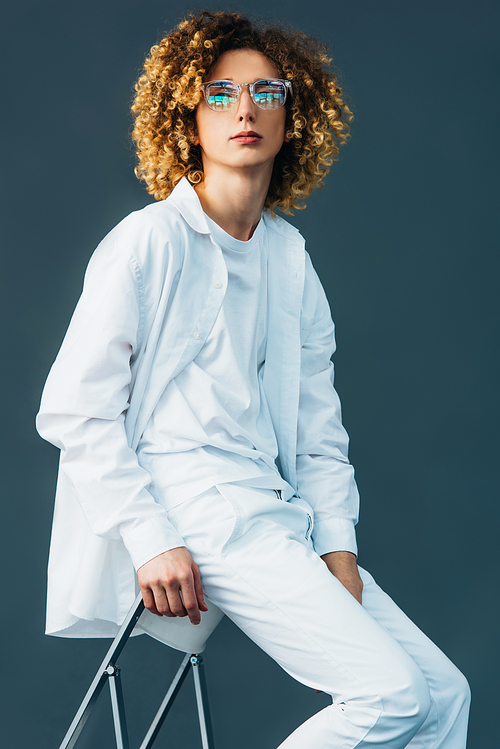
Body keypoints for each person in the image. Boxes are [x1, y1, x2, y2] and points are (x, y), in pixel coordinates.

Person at [36, 10, 470, 747]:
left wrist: (339, 550)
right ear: (187, 115)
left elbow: (318, 425)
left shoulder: (289, 259)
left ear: (294, 117)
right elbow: (73, 409)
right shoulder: (149, 241)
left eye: (267, 93)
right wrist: (149, 536)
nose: (245, 109)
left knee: (443, 693)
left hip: (280, 512)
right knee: (389, 696)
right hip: (200, 510)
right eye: (220, 93)